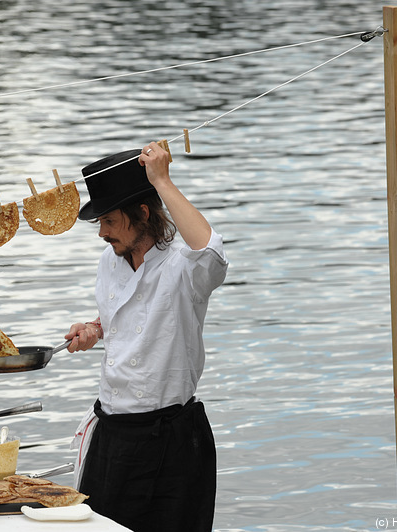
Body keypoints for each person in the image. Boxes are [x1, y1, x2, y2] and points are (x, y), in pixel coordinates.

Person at [65, 141, 229, 532]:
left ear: (142, 213)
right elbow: (128, 314)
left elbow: (212, 252)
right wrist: (95, 329)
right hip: (112, 437)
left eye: (108, 221)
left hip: (171, 443)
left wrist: (161, 180)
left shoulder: (185, 265)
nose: (101, 234)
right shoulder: (110, 260)